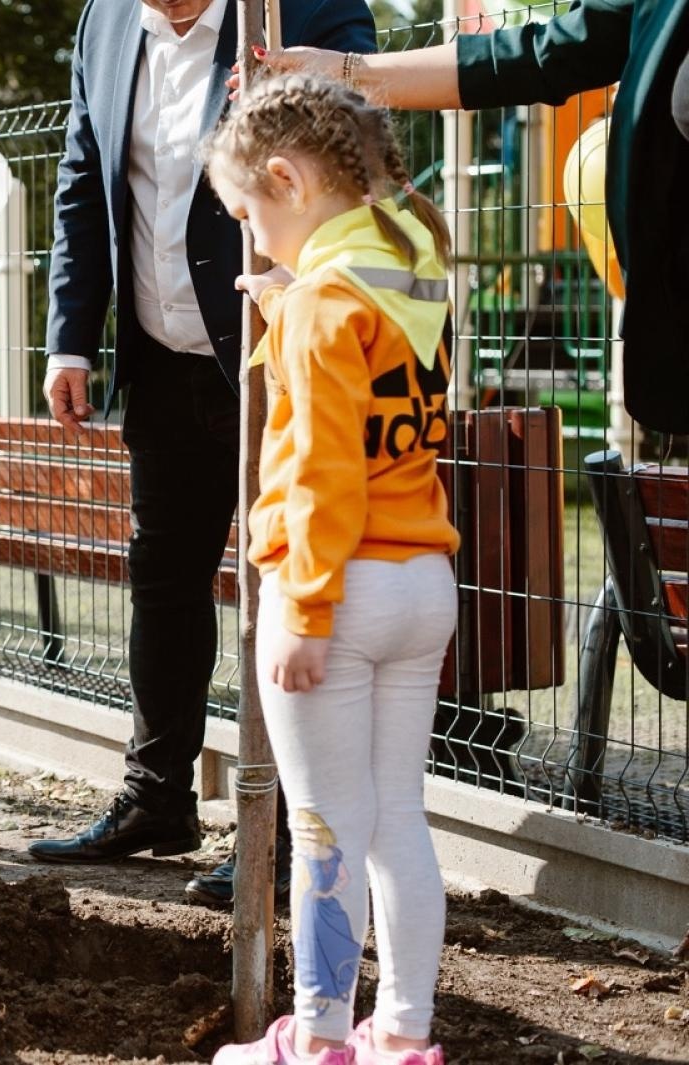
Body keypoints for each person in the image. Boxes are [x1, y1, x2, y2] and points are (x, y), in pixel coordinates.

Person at [28, 0, 375, 913]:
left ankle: (283, 827)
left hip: (279, 358)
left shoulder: (308, 8)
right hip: (159, 360)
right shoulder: (105, 26)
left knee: (285, 589)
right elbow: (82, 177)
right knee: (166, 581)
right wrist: (70, 338)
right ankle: (158, 799)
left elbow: (367, 152)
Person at [203, 73, 459, 1065]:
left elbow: (318, 469)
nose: (254, 238)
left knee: (322, 828)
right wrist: (290, 301)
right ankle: (401, 1031)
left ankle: (313, 1041)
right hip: (419, 584)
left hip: (336, 591)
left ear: (286, 179)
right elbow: (371, 379)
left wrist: (301, 610)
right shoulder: (411, 260)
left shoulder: (316, 309)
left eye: (248, 214)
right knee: (396, 818)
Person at [250, 0, 689, 434]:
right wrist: (352, 71)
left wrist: (278, 301)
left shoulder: (339, 288)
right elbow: (559, 48)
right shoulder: (400, 257)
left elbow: (320, 461)